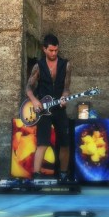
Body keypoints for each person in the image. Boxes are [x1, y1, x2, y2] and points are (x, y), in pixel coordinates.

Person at [26, 34, 71, 182]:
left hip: (59, 109)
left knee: (65, 143)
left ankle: (63, 174)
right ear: (44, 49)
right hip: (44, 110)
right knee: (42, 143)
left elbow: (66, 88)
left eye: (56, 50)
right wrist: (34, 101)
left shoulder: (66, 65)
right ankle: (36, 175)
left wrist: (64, 96)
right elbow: (28, 88)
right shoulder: (38, 66)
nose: (54, 53)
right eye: (51, 50)